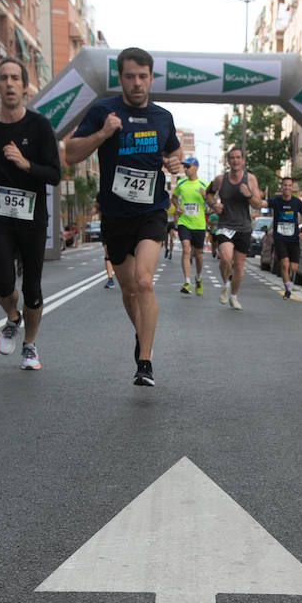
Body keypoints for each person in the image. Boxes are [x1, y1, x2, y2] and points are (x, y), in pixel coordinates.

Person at [63, 46, 181, 388]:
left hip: (151, 211)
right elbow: (70, 154)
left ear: (151, 78)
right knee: (129, 290)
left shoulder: (162, 117)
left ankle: (145, 362)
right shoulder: (103, 111)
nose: (137, 83)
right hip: (115, 215)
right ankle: (141, 335)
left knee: (144, 281)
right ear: (120, 78)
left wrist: (175, 162)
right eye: (130, 76)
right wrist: (103, 134)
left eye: (143, 76)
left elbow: (174, 151)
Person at [0, 55, 62, 370]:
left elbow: (54, 174)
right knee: (2, 282)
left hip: (32, 218)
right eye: (4, 78)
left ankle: (30, 346)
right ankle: (13, 317)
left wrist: (25, 164)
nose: (9, 83)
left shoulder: (39, 126)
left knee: (32, 289)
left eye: (15, 78)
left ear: (25, 87)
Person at [206, 146, 263, 309]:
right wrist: (214, 205)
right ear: (228, 161)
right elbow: (209, 194)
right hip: (225, 225)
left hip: (243, 227)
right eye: (232, 158)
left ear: (243, 160)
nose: (235, 161)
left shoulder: (250, 179)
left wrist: (248, 195)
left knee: (238, 266)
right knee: (225, 258)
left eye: (238, 157)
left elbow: (258, 204)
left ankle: (234, 295)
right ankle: (226, 284)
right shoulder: (220, 180)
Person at [173, 155, 207, 295]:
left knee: (198, 254)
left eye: (188, 166)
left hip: (199, 224)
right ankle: (187, 282)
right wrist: (177, 206)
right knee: (186, 249)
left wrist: (205, 196)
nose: (185, 169)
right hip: (184, 222)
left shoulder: (205, 184)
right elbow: (174, 197)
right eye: (184, 166)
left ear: (196, 167)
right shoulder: (181, 183)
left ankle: (198, 277)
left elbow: (213, 202)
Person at [269, 176, 302, 298]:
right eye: (285, 185)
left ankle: (289, 281)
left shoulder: (297, 202)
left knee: (293, 267)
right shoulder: (276, 201)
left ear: (292, 187)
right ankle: (287, 289)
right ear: (281, 187)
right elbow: (262, 203)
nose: (287, 188)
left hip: (293, 239)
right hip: (280, 238)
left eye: (289, 185)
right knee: (284, 263)